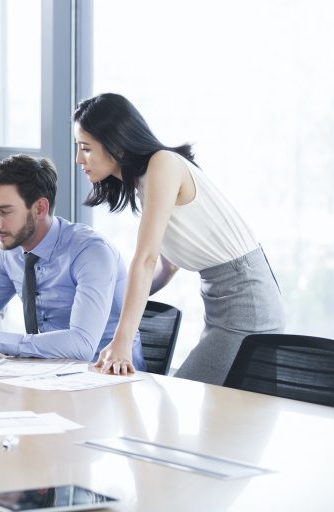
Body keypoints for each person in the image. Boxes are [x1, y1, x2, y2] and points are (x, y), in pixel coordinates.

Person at [72, 93, 284, 384]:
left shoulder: (163, 164)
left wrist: (123, 340)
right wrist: (118, 301)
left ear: (116, 145)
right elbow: (167, 266)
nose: (78, 159)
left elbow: (146, 260)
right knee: (209, 410)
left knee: (190, 393)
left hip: (245, 300)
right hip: (224, 300)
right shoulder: (146, 182)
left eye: (86, 148)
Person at [0, 154, 145, 368]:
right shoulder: (10, 252)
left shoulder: (91, 252)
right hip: (46, 374)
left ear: (40, 208)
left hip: (105, 377)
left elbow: (82, 345)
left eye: (4, 212)